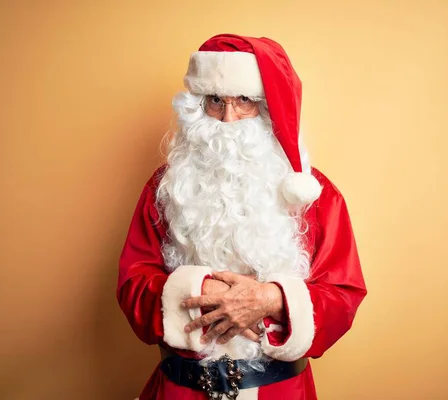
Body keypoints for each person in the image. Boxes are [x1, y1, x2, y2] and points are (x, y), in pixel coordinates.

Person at [117, 33, 367, 400]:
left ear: (267, 110)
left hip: (279, 391)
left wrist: (272, 300)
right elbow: (131, 286)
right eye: (215, 101)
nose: (228, 118)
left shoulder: (315, 194)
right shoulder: (167, 187)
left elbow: (344, 296)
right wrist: (198, 291)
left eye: (245, 101)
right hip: (183, 390)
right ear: (197, 105)